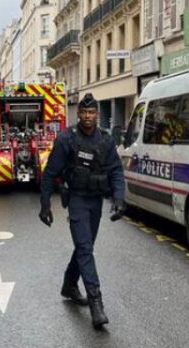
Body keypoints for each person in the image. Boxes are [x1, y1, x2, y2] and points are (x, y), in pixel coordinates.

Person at [38, 93, 126, 329]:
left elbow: (116, 171)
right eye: (84, 113)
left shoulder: (105, 141)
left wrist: (119, 198)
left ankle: (69, 285)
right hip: (76, 199)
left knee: (84, 246)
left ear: (97, 114)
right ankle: (97, 304)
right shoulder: (67, 139)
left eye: (92, 113)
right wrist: (45, 204)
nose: (88, 117)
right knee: (86, 248)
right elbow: (49, 173)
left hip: (95, 201)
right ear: (79, 114)